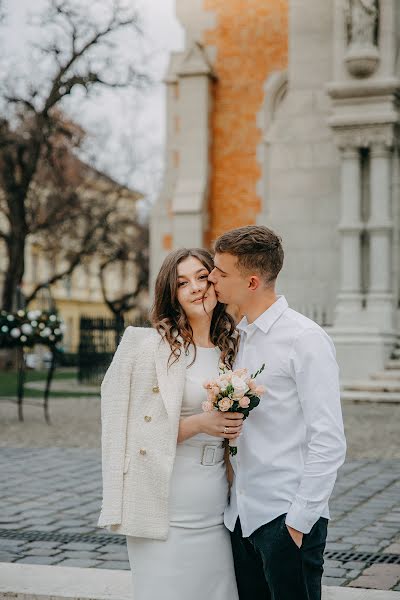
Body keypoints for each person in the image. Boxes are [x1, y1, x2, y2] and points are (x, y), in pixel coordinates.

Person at [208, 225, 347, 600]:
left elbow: (329, 439)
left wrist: (299, 522)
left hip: (284, 519)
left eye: (221, 272)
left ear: (251, 281)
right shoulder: (237, 337)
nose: (211, 277)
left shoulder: (305, 339)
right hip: (241, 517)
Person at [97, 248, 241, 600]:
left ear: (216, 281)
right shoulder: (147, 347)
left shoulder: (235, 347)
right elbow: (126, 433)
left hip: (216, 503)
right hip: (164, 500)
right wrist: (200, 424)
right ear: (171, 294)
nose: (195, 287)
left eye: (202, 277)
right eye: (182, 283)